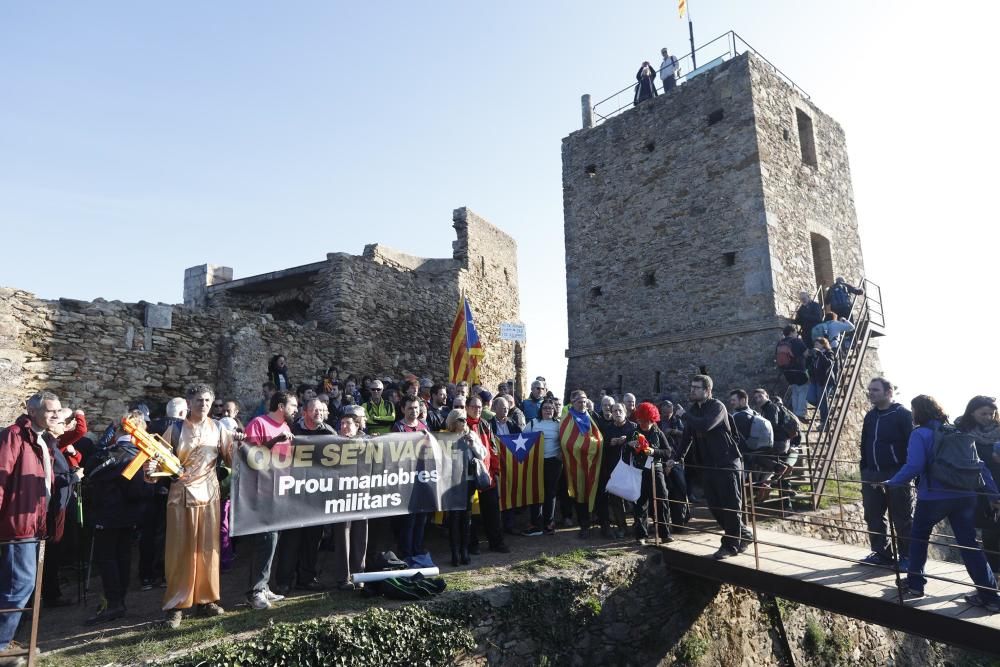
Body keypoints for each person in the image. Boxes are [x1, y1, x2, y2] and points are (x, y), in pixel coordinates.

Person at [885, 395, 1000, 611]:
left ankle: (916, 584)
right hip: (965, 497)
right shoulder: (957, 432)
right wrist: (994, 495)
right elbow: (980, 467)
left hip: (934, 497)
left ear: (918, 412)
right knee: (969, 545)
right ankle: (990, 596)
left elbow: (914, 466)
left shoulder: (920, 434)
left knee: (919, 538)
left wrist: (892, 482)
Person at [153, 384, 240, 629]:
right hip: (181, 497)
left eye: (207, 400)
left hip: (210, 496)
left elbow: (231, 458)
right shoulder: (176, 428)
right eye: (199, 400)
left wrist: (239, 444)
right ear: (189, 403)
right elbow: (159, 461)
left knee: (208, 549)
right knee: (180, 551)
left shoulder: (218, 428)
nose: (203, 404)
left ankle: (206, 599)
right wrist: (152, 470)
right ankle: (176, 605)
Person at [0, 391, 61, 660]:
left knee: (22, 585)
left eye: (58, 411)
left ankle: (6, 640)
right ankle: (1, 645)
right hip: (18, 526)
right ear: (32, 411)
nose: (57, 416)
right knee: (19, 585)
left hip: (35, 523)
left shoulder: (42, 439)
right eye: (51, 411)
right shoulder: (15, 435)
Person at [84, 412, 155, 624]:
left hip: (106, 515)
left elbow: (89, 474)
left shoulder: (106, 453)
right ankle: (118, 601)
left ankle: (114, 603)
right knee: (123, 558)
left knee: (108, 560)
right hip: (129, 516)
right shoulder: (140, 456)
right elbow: (138, 492)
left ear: (119, 430)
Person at [679, 375, 751, 559]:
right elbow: (687, 436)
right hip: (708, 466)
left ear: (707, 390)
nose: (692, 390)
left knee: (730, 506)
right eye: (691, 387)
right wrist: (676, 458)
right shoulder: (694, 409)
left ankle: (730, 546)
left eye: (696, 387)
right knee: (715, 506)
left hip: (727, 463)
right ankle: (744, 534)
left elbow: (706, 426)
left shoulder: (717, 407)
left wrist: (685, 416)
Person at [243, 390, 297, 611]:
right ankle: (254, 591)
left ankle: (263, 586)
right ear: (281, 406)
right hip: (261, 492)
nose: (296, 409)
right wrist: (275, 440)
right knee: (264, 541)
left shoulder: (286, 427)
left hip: (279, 491)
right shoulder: (259, 423)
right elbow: (250, 455)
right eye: (293, 405)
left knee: (272, 541)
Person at [273, 399, 333, 595]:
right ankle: (283, 581)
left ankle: (306, 578)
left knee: (312, 539)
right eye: (314, 409)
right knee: (290, 539)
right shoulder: (292, 430)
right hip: (293, 493)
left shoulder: (329, 433)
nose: (318, 413)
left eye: (321, 410)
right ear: (305, 411)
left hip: (316, 494)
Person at [858, 378, 914, 567]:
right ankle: (881, 553)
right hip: (871, 473)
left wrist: (906, 471)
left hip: (897, 473)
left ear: (889, 392)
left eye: (875, 390)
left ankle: (907, 557)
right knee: (873, 515)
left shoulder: (903, 415)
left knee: (902, 517)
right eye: (869, 390)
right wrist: (864, 468)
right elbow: (864, 443)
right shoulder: (870, 416)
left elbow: (911, 444)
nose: (871, 393)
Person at [954, 396, 1000, 573]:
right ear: (971, 412)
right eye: (984, 413)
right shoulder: (961, 432)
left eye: (992, 413)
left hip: (996, 490)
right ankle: (987, 581)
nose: (989, 417)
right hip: (972, 490)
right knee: (974, 535)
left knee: (993, 535)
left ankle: (992, 581)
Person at [466, 396, 509, 553]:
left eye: (479, 407)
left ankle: (496, 543)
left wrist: (495, 470)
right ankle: (472, 545)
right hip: (469, 477)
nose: (477, 409)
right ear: (466, 407)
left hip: (487, 475)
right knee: (470, 513)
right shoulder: (461, 425)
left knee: (492, 512)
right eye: (473, 406)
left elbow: (493, 449)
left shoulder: (485, 424)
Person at [559, 391, 604, 538]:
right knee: (580, 494)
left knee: (593, 490)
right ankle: (584, 524)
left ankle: (596, 522)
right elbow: (566, 440)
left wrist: (590, 446)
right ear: (573, 402)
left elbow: (600, 436)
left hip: (592, 462)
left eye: (585, 401)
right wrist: (585, 445)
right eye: (579, 401)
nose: (583, 404)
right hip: (575, 463)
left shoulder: (593, 417)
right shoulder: (567, 418)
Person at [332, 412, 369, 589]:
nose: (344, 426)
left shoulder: (367, 442)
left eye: (348, 423)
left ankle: (358, 574)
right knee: (342, 536)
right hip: (341, 498)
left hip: (361, 495)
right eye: (342, 423)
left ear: (357, 426)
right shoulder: (333, 444)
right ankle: (343, 577)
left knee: (360, 536)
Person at [628, 402, 674, 544]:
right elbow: (626, 450)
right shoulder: (634, 432)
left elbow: (667, 452)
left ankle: (664, 534)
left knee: (662, 500)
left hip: (656, 470)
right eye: (642, 421)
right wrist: (630, 446)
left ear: (652, 419)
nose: (645, 424)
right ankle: (641, 535)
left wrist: (654, 451)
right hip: (639, 471)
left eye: (648, 421)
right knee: (640, 503)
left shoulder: (657, 432)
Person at [392, 396, 430, 562]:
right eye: (410, 408)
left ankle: (418, 549)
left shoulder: (424, 426)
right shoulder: (398, 427)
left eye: (416, 408)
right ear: (402, 409)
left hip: (422, 480)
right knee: (408, 521)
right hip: (406, 481)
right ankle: (406, 553)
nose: (414, 411)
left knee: (421, 519)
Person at [524, 400, 564, 536]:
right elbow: (523, 440)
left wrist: (561, 452)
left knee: (550, 492)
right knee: (536, 491)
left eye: (551, 408)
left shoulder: (558, 425)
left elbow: (565, 441)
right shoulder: (533, 423)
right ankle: (535, 524)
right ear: (541, 410)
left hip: (554, 462)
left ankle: (549, 523)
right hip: (536, 462)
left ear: (554, 410)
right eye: (545, 408)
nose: (548, 410)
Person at [595, 403, 632, 539]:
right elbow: (601, 446)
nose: (617, 413)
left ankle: (638, 526)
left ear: (625, 412)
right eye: (614, 410)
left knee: (634, 499)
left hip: (630, 469)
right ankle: (622, 527)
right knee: (616, 501)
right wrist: (610, 443)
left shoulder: (633, 427)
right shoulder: (607, 429)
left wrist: (627, 441)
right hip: (613, 469)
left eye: (620, 410)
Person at [445, 409, 476, 566]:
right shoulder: (446, 438)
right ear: (453, 421)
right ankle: (454, 553)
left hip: (469, 481)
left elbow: (482, 454)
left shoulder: (471, 435)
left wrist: (473, 445)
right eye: (461, 419)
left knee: (466, 518)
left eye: (465, 419)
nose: (465, 422)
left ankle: (465, 550)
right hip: (452, 484)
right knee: (454, 519)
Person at [776, 325, 810, 419]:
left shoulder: (780, 343)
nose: (796, 334)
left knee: (795, 391)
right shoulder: (797, 341)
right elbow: (806, 354)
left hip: (786, 371)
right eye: (795, 332)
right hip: (799, 370)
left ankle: (795, 413)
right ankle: (801, 413)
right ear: (792, 332)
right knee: (803, 390)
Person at [806, 337, 836, 427]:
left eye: (817, 344)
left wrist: (820, 354)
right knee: (810, 398)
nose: (815, 346)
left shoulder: (829, 352)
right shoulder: (815, 355)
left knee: (822, 401)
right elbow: (811, 366)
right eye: (815, 344)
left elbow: (829, 364)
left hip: (825, 380)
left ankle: (825, 422)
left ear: (823, 344)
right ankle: (826, 408)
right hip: (815, 380)